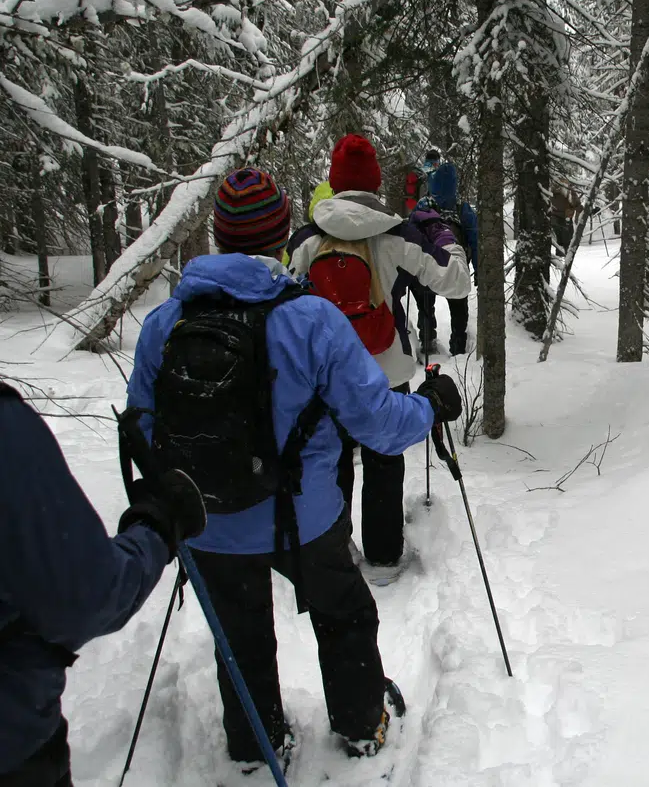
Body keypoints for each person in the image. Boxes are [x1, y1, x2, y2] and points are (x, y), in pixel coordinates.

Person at [126, 167, 464, 772]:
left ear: (219, 237)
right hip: (302, 518)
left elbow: (145, 430)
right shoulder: (310, 321)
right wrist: (430, 405)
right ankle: (363, 722)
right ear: (283, 233)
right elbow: (377, 420)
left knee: (241, 631)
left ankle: (256, 743)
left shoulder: (164, 324)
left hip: (208, 522)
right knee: (344, 614)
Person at [286, 135, 471, 583]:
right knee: (384, 457)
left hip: (324, 375)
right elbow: (456, 282)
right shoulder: (394, 233)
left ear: (334, 180)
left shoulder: (308, 238)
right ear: (374, 181)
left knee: (332, 459)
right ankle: (385, 557)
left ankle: (336, 549)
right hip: (384, 366)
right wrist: (445, 234)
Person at [0, 383, 205, 787]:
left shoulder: (167, 320)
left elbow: (144, 397)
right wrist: (154, 529)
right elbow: (86, 596)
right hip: (13, 742)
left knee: (244, 617)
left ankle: (250, 743)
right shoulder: (6, 432)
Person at [413, 149, 478, 355]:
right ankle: (458, 346)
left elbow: (410, 235)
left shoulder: (423, 207)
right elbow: (475, 239)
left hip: (427, 265)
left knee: (425, 303)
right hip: (456, 266)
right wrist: (478, 268)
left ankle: (427, 339)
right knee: (458, 306)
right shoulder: (462, 209)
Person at [550, 182, 581, 257]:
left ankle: (562, 260)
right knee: (566, 243)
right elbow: (576, 204)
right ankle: (565, 262)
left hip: (555, 219)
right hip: (564, 219)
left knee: (560, 243)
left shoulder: (550, 188)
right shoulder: (567, 190)